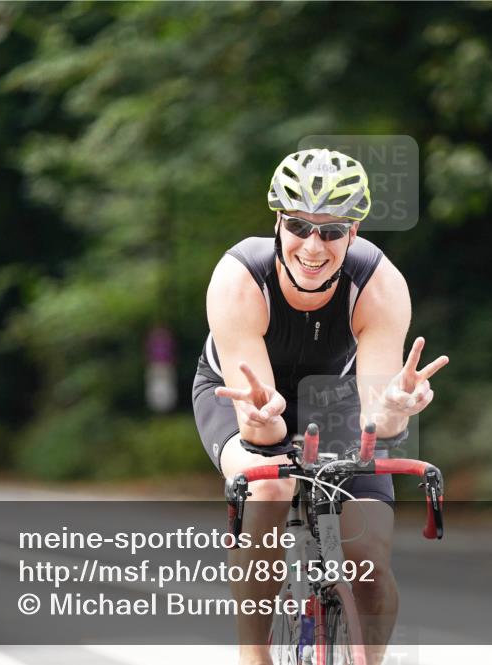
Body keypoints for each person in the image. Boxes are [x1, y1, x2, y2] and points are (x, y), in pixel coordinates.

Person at [192, 148, 448, 665]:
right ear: (277, 224)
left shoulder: (379, 284)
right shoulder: (240, 278)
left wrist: (398, 408)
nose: (314, 245)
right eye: (299, 226)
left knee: (370, 564)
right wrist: (263, 422)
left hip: (335, 399)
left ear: (353, 233)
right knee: (271, 483)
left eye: (331, 231)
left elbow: (377, 419)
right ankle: (253, 657)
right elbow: (260, 429)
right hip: (241, 395)